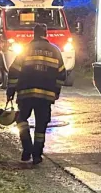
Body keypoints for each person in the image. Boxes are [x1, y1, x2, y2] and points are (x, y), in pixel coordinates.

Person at [6, 23, 66, 164]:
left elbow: (14, 71)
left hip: (26, 94)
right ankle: (37, 155)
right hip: (46, 97)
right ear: (46, 34)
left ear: (34, 34)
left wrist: (11, 91)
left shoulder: (26, 50)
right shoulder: (55, 51)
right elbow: (62, 74)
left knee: (21, 120)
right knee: (41, 126)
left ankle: (27, 148)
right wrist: (56, 92)